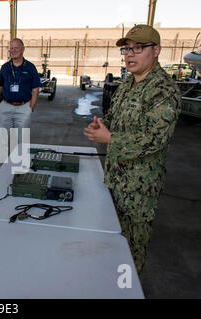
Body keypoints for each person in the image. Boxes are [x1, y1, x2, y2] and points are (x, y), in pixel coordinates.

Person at [83, 24, 181, 277]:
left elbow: (154, 139)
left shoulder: (163, 89)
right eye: (127, 49)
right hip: (114, 180)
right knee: (111, 242)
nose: (130, 55)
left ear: (156, 50)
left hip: (139, 189)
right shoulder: (128, 85)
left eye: (138, 49)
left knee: (130, 250)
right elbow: (115, 121)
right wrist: (103, 127)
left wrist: (110, 137)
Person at [0, 38, 41, 168]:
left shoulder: (30, 67)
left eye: (16, 47)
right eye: (11, 48)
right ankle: (0, 168)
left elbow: (36, 89)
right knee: (3, 139)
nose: (13, 50)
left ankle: (21, 166)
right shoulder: (5, 67)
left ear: (23, 49)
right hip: (5, 106)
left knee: (22, 140)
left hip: (23, 107)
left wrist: (30, 108)